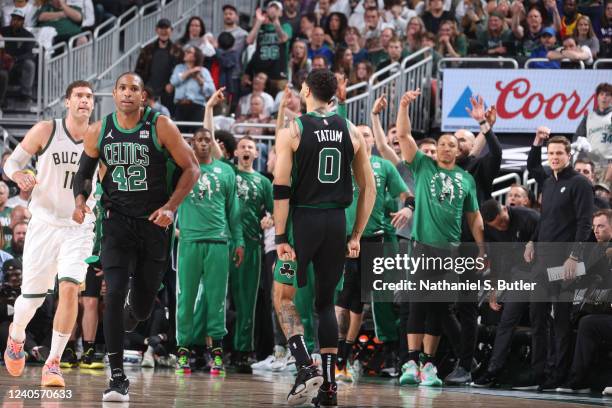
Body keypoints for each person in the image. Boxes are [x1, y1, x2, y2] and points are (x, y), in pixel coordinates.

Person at [72, 72, 199, 402]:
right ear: (113, 94)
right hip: (116, 223)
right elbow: (83, 175)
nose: (128, 94)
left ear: (144, 97)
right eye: (122, 88)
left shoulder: (160, 125)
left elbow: (192, 168)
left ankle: (135, 306)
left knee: (141, 309)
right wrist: (80, 200)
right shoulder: (99, 130)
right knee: (111, 293)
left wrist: (171, 207)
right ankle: (116, 378)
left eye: (135, 89)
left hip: (154, 223)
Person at [274, 69, 375, 405]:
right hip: (336, 223)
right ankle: (330, 389)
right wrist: (356, 233)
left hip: (302, 221)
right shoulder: (351, 130)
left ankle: (305, 366)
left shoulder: (294, 129)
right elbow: (368, 187)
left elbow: (281, 188)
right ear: (334, 94)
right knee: (325, 303)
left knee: (284, 297)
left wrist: (279, 236)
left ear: (305, 90)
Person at [2, 80, 96, 388]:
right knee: (32, 298)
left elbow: (106, 181)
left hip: (78, 227)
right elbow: (13, 161)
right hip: (43, 223)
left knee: (69, 289)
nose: (84, 100)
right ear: (67, 102)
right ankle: (16, 337)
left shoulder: (98, 138)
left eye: (89, 97)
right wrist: (18, 175)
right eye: (79, 96)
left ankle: (53, 362)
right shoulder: (46, 129)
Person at [396, 89, 484, 388]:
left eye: (452, 145)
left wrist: (482, 248)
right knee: (418, 304)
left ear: (459, 151)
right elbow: (405, 136)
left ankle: (428, 366)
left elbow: (474, 217)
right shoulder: (423, 167)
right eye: (442, 144)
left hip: (451, 251)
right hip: (423, 247)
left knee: (438, 306)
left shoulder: (466, 179)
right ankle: (410, 360)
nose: (446, 148)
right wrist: (404, 106)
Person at [524, 135, 594, 391]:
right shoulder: (549, 184)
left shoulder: (580, 184)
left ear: (569, 155)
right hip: (543, 260)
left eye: (558, 153)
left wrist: (574, 257)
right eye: (550, 153)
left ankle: (559, 374)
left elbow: (585, 223)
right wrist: (532, 240)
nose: (553, 157)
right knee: (537, 316)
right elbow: (545, 219)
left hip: (565, 263)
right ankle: (538, 372)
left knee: (561, 320)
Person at [175, 126, 243, 377]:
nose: (204, 144)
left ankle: (216, 353)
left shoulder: (225, 171)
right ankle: (182, 351)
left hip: (218, 242)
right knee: (186, 299)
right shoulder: (181, 169)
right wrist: (172, 232)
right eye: (199, 140)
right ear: (191, 143)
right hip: (190, 242)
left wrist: (239, 241)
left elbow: (233, 210)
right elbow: (166, 204)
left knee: (216, 301)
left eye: (208, 140)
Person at [471, 199, 540, 388]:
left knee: (540, 322)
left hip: (542, 275)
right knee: (506, 322)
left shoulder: (529, 217)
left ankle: (539, 372)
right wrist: (495, 289)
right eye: (496, 226)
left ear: (504, 209)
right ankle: (493, 370)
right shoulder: (492, 229)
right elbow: (498, 259)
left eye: (502, 222)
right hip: (518, 276)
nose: (501, 228)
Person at [230, 135, 273, 373]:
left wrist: (270, 219)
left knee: (247, 301)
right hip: (223, 242)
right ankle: (210, 349)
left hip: (251, 245)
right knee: (216, 300)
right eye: (243, 147)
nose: (247, 150)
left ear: (256, 154)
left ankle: (242, 351)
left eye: (251, 147)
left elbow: (275, 212)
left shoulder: (263, 182)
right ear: (235, 152)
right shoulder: (227, 173)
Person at [134, 18, 184, 112]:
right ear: (156, 30)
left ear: (171, 30)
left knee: (168, 120)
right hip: (149, 92)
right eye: (161, 28)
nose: (164, 31)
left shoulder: (178, 51)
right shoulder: (147, 49)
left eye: (166, 28)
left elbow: (182, 71)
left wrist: (172, 84)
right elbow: (138, 71)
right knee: (146, 121)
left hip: (169, 93)